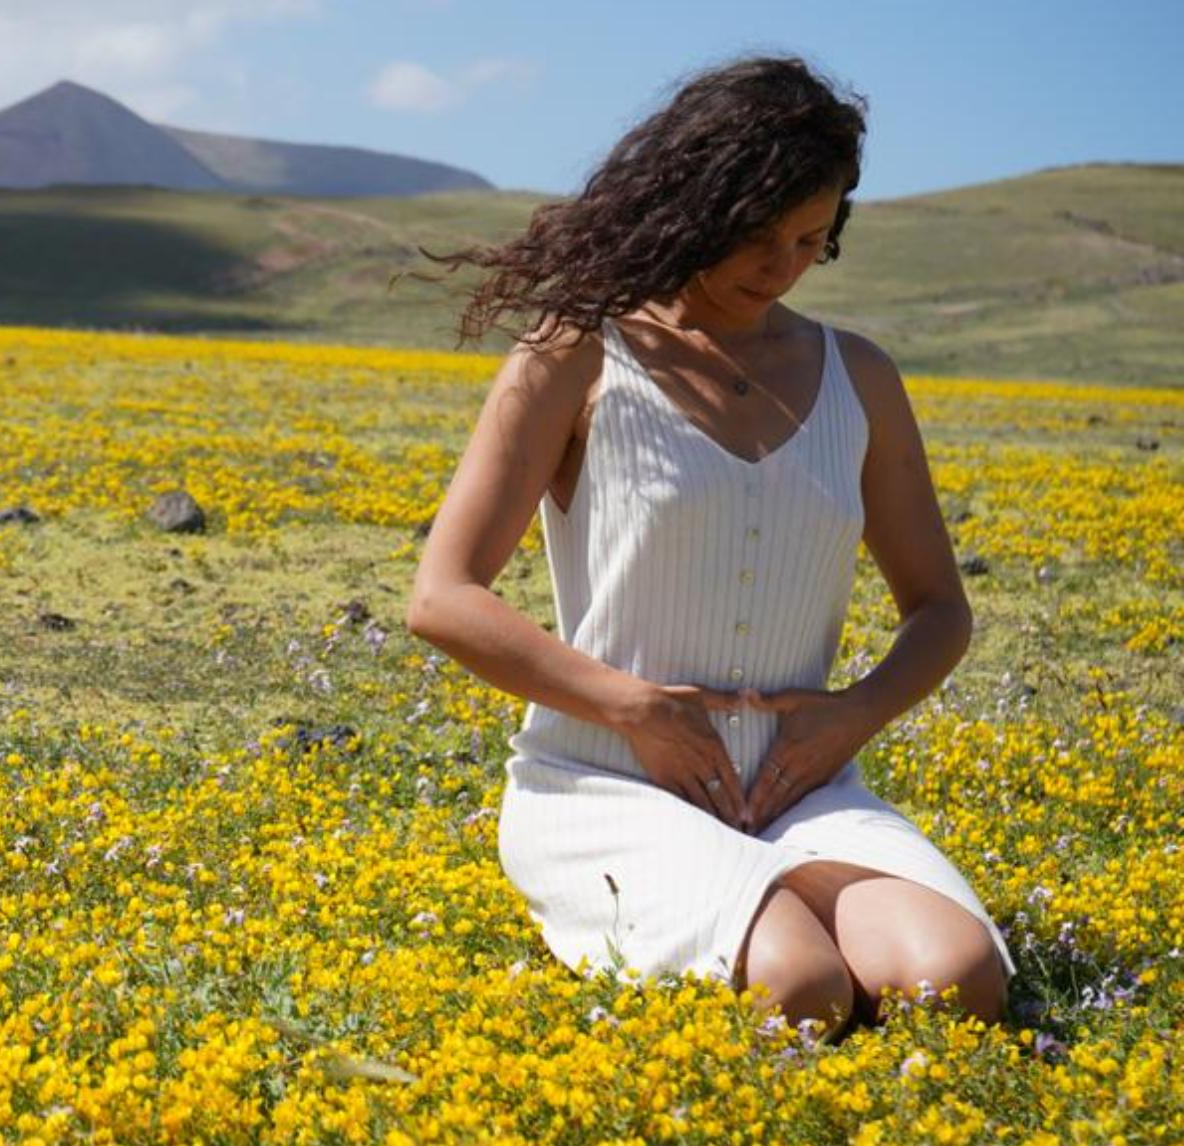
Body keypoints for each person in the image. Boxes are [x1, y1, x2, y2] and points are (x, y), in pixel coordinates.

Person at [401, 54, 1013, 1042]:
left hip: (800, 787)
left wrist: (850, 718)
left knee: (956, 980)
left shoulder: (860, 377)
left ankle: (795, 907)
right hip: (604, 785)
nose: (778, 266)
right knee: (799, 992)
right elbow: (442, 596)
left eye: (810, 239)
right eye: (755, 234)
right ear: (689, 204)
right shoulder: (576, 353)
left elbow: (940, 610)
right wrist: (628, 706)